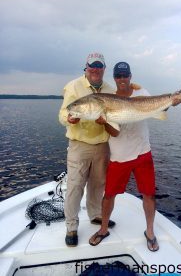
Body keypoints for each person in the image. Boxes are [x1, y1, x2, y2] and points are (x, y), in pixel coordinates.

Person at [89, 62, 181, 251]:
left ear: (130, 76)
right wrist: (103, 121)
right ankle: (103, 229)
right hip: (119, 155)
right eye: (118, 76)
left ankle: (150, 232)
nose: (122, 80)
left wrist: (172, 102)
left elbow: (158, 108)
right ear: (114, 78)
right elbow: (114, 133)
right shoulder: (109, 99)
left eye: (125, 76)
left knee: (149, 194)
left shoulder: (142, 93)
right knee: (109, 195)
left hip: (142, 152)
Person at [59, 53, 119, 247]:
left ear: (104, 69)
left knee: (97, 184)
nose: (95, 69)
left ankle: (95, 215)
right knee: (75, 186)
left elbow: (116, 116)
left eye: (99, 66)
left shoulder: (110, 89)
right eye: (92, 66)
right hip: (79, 144)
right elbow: (63, 112)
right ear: (85, 67)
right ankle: (71, 226)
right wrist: (67, 119)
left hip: (102, 145)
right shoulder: (73, 86)